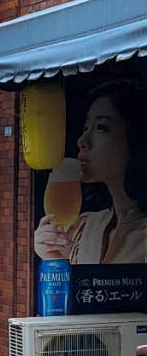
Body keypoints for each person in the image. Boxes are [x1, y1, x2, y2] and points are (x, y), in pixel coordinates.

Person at [34, 80, 147, 265]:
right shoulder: (85, 227)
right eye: (86, 128)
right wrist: (55, 260)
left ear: (136, 139)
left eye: (101, 127)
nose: (82, 140)